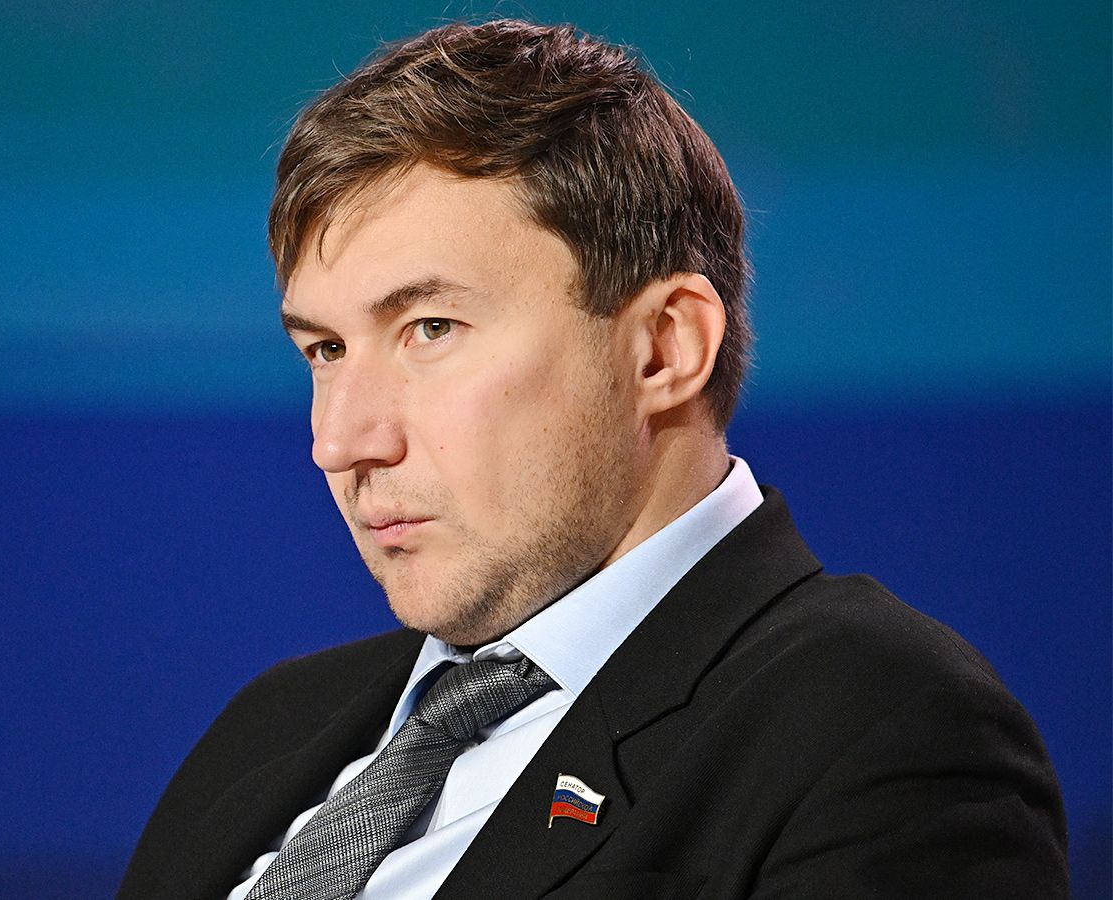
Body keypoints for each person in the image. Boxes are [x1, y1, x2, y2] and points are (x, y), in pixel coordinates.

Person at [118, 19, 1068, 900]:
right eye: (325, 350)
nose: (340, 441)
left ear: (663, 348)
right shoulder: (270, 728)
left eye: (430, 328)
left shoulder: (881, 730)